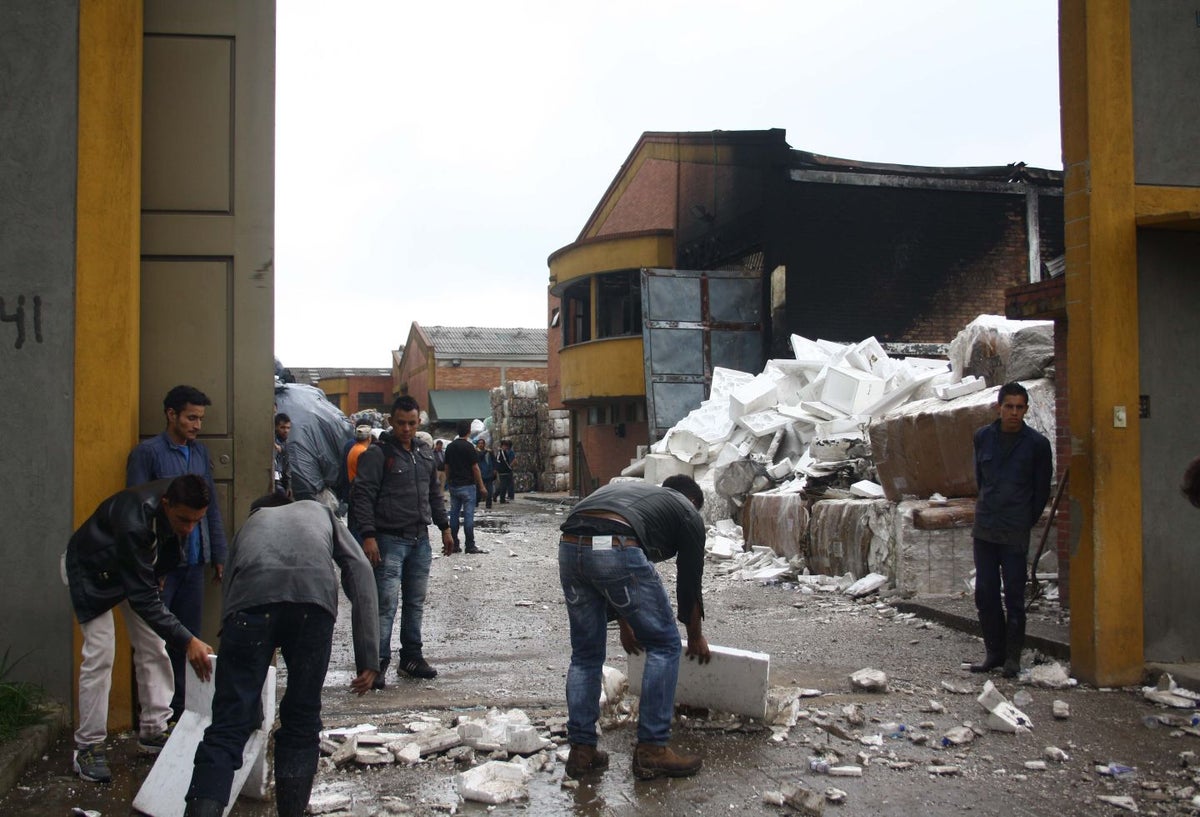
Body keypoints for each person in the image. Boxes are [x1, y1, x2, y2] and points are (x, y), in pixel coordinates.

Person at [182, 494, 379, 817]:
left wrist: (247, 703)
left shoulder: (251, 523)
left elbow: (231, 593)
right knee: (302, 718)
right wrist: (369, 656)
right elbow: (359, 567)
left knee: (228, 725)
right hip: (313, 606)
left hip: (249, 610)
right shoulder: (321, 512)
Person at [557, 475, 711, 781]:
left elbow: (616, 573)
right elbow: (689, 583)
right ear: (693, 501)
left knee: (585, 655)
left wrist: (626, 626)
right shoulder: (687, 512)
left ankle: (582, 751)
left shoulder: (638, 497)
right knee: (665, 644)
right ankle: (653, 749)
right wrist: (695, 636)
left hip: (570, 545)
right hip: (615, 543)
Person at [65, 475, 215, 783]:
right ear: (166, 504)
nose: (189, 528)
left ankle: (153, 730)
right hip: (90, 572)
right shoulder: (134, 522)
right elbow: (144, 598)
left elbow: (162, 558)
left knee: (153, 645)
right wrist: (188, 640)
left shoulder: (178, 499)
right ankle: (88, 746)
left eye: (196, 521)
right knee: (101, 652)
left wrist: (158, 572)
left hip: (129, 570)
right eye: (183, 520)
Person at [126, 384, 227, 723]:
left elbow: (210, 506)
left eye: (200, 419)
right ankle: (156, 715)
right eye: (191, 418)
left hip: (195, 562)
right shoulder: (148, 454)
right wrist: (152, 565)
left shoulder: (199, 453)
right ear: (171, 414)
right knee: (155, 642)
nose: (197, 425)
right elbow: (137, 511)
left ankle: (183, 712)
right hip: (161, 565)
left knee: (189, 638)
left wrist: (218, 552)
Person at [350, 396, 454, 686]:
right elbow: (362, 496)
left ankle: (411, 658)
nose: (406, 429)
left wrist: (445, 527)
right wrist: (368, 536)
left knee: (415, 603)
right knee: (385, 605)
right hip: (389, 541)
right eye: (400, 423)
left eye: (411, 423)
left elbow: (434, 494)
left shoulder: (424, 453)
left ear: (418, 422)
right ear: (390, 422)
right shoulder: (378, 454)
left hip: (420, 540)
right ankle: (377, 665)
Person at [970, 381, 1053, 678]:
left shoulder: (1037, 445)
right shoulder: (983, 437)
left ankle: (1012, 658)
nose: (1014, 413)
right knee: (985, 593)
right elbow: (981, 479)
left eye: (1019, 407)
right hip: (985, 527)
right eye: (1009, 407)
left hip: (1015, 529)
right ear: (999, 407)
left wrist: (1023, 520)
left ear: (1026, 410)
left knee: (1015, 594)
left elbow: (1041, 490)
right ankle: (994, 653)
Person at [444, 420, 488, 554]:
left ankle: (454, 544)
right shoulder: (469, 447)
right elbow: (475, 468)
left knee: (454, 514)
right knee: (468, 516)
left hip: (454, 485)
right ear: (469, 431)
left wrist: (449, 481)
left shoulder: (450, 447)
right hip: (468, 485)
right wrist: (481, 486)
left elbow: (447, 467)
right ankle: (470, 545)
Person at [273, 412, 292, 497]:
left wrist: (288, 486)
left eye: (288, 428)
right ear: (276, 427)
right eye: (282, 427)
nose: (286, 431)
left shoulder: (286, 444)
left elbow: (287, 466)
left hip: (281, 480)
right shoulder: (272, 441)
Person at [476, 438, 497, 510]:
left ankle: (488, 505)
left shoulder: (489, 452)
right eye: (479, 443)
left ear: (484, 444)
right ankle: (476, 503)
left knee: (489, 490)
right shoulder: (476, 452)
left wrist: (494, 469)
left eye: (482, 443)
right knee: (478, 491)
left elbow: (494, 460)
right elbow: (480, 456)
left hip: (489, 474)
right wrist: (486, 451)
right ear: (477, 445)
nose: (481, 445)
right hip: (480, 474)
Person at [495, 439, 516, 503]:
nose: (506, 447)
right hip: (503, 471)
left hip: (506, 471)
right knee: (503, 486)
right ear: (502, 446)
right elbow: (500, 461)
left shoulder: (505, 452)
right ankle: (501, 499)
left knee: (503, 485)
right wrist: (508, 468)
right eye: (504, 446)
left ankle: (497, 495)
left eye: (506, 446)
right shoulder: (501, 453)